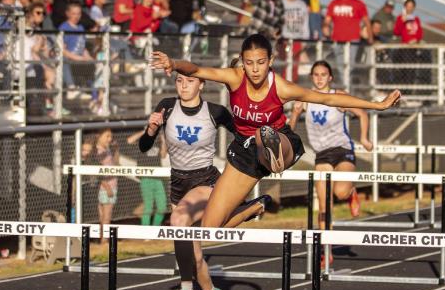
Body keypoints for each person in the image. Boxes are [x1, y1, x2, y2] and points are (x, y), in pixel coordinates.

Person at [150, 33, 400, 232]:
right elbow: (195, 70)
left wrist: (377, 104)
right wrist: (174, 63)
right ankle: (254, 207)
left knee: (264, 134)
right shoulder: (235, 78)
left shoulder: (281, 87)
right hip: (244, 151)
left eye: (260, 63)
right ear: (242, 62)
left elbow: (327, 99)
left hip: (280, 140)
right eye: (249, 63)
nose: (255, 69)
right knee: (210, 228)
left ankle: (275, 155)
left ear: (270, 61)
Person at [138, 73, 268, 290]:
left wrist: (248, 161)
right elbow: (144, 146)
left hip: (206, 180)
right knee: (193, 256)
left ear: (201, 84)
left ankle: (186, 288)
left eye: (189, 81)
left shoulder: (215, 112)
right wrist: (151, 129)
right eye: (179, 81)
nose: (183, 85)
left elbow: (245, 136)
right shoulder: (166, 106)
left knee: (177, 221)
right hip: (178, 182)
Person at [289, 60, 372, 266]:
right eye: (315, 75)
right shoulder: (305, 98)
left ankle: (351, 192)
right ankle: (327, 250)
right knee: (324, 207)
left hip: (342, 150)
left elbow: (362, 113)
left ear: (330, 77)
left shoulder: (339, 96)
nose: (319, 78)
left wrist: (364, 137)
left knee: (340, 192)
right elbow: (289, 130)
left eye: (323, 74)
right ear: (311, 78)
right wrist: (296, 113)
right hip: (322, 155)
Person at [323, 0, 372, 84]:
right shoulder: (334, 3)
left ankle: (348, 87)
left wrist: (370, 37)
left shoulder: (358, 3)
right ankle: (346, 86)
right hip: (337, 39)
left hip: (353, 39)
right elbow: (327, 20)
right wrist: (325, 28)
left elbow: (366, 21)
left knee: (351, 65)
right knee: (340, 65)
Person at [127, 130, 168, 228]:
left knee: (162, 207)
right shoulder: (142, 141)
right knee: (148, 207)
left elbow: (163, 155)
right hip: (145, 178)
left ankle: (154, 229)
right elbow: (129, 141)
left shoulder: (158, 141)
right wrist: (145, 131)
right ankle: (146, 232)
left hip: (158, 178)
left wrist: (162, 139)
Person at [59, 1, 93, 100]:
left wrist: (88, 57)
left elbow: (83, 47)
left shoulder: (81, 27)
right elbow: (63, 50)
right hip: (70, 58)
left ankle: (91, 91)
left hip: (79, 59)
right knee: (64, 61)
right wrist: (77, 58)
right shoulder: (64, 27)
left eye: (78, 13)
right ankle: (71, 88)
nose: (76, 16)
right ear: (68, 14)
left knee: (95, 63)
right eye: (74, 13)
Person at [281, 0, 309, 82]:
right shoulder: (281, 3)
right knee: (284, 66)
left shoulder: (302, 4)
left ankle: (291, 91)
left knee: (295, 67)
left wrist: (304, 41)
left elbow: (305, 23)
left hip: (298, 40)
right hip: (284, 40)